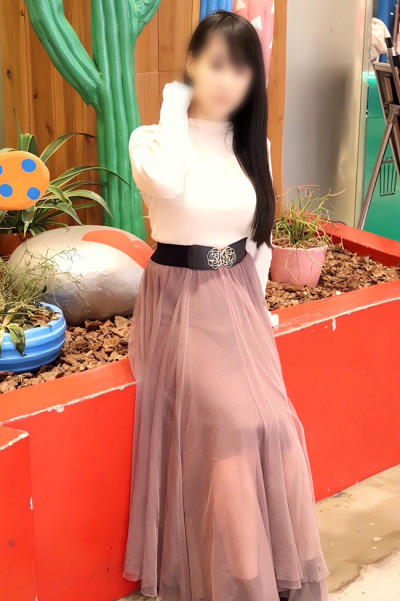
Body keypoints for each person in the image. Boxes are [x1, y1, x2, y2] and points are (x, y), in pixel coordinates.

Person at [124, 10, 328, 601]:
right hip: (181, 303)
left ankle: (277, 576)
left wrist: (257, 312)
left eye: (241, 69)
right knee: (234, 427)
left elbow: (259, 240)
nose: (226, 80)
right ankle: (243, 583)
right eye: (215, 64)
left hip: (238, 303)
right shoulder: (153, 140)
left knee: (280, 425)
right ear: (191, 64)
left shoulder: (252, 145)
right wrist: (175, 100)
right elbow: (165, 183)